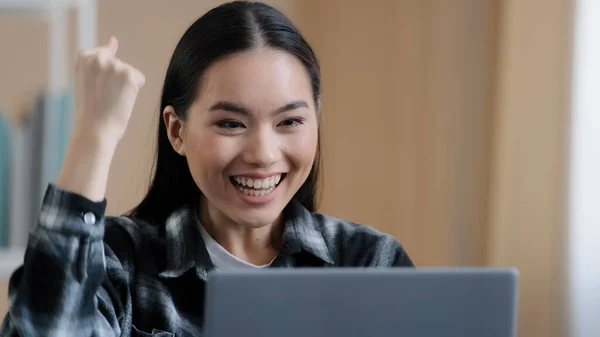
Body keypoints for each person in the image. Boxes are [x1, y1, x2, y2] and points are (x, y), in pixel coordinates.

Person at [0, 1, 413, 336]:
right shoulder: (121, 263)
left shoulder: (370, 264)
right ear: (176, 131)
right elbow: (45, 329)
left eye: (289, 121)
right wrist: (95, 132)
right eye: (231, 123)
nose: (263, 154)